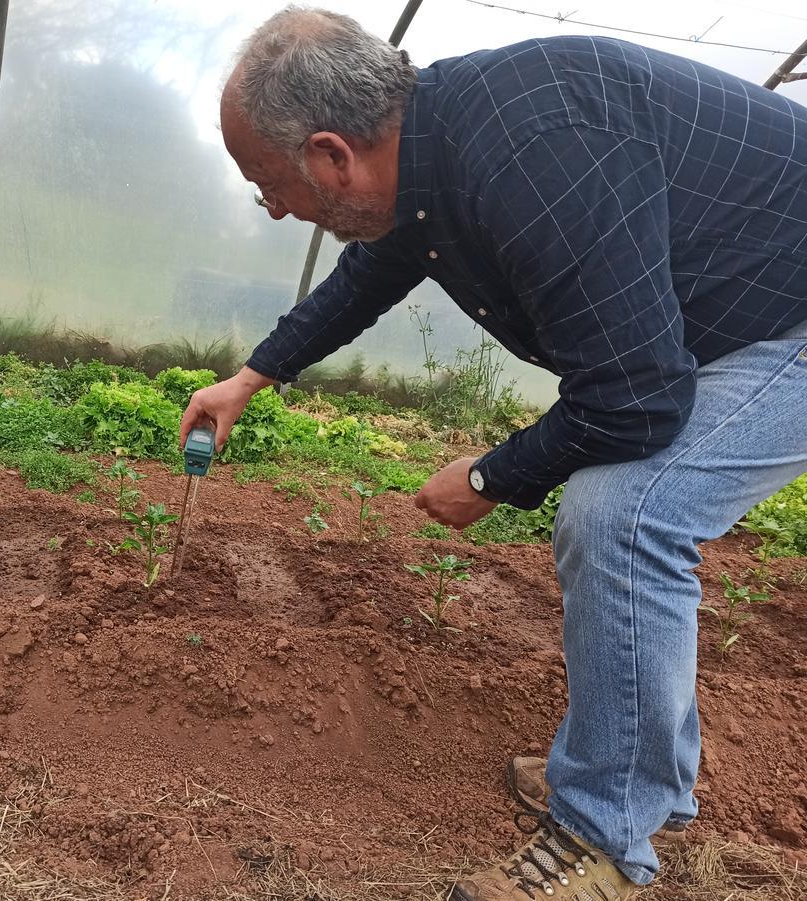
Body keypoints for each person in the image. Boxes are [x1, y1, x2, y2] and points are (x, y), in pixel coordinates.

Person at [179, 6, 807, 900]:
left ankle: (602, 837)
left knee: (625, 513)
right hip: (755, 300)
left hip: (794, 314)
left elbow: (637, 397)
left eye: (269, 184)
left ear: (330, 154)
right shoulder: (436, 143)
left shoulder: (532, 154)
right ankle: (641, 778)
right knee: (621, 502)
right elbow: (375, 268)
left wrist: (488, 478)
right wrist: (254, 375)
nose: (275, 207)